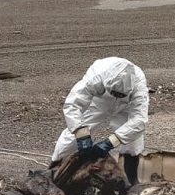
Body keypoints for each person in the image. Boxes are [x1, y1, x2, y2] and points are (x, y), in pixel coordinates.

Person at [51, 57, 149, 187]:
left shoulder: (138, 84)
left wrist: (111, 142)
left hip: (126, 105)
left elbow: (139, 120)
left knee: (134, 141)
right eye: (114, 93)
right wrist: (81, 134)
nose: (116, 96)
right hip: (99, 101)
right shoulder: (96, 76)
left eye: (120, 94)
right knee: (70, 139)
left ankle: (132, 180)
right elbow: (73, 105)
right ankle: (52, 170)